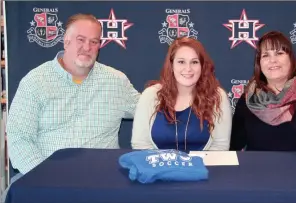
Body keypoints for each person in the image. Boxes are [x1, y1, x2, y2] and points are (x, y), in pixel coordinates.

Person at [6, 13, 141, 177]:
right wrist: (43, 177)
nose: (87, 47)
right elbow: (19, 139)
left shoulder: (117, 81)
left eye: (94, 42)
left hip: (103, 179)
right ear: (66, 41)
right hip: (46, 178)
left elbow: (151, 111)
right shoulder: (35, 81)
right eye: (80, 39)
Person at [131, 37, 232, 151]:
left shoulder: (217, 97)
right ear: (171, 66)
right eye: (181, 62)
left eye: (194, 62)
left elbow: (220, 146)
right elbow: (140, 144)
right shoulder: (151, 95)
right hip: (159, 167)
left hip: (202, 167)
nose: (188, 68)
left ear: (202, 66)